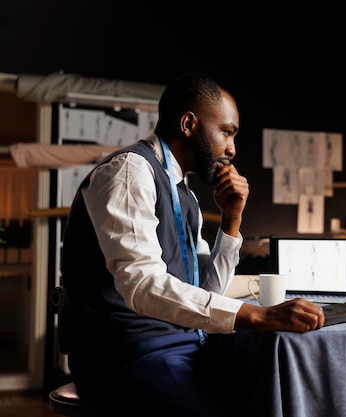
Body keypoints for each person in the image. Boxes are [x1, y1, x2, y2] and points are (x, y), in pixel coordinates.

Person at [57, 73, 325, 416]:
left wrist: (231, 221)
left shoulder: (185, 194)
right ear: (188, 124)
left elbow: (205, 290)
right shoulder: (129, 172)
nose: (232, 149)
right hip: (122, 354)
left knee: (273, 391)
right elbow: (142, 285)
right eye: (227, 132)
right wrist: (255, 315)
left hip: (175, 344)